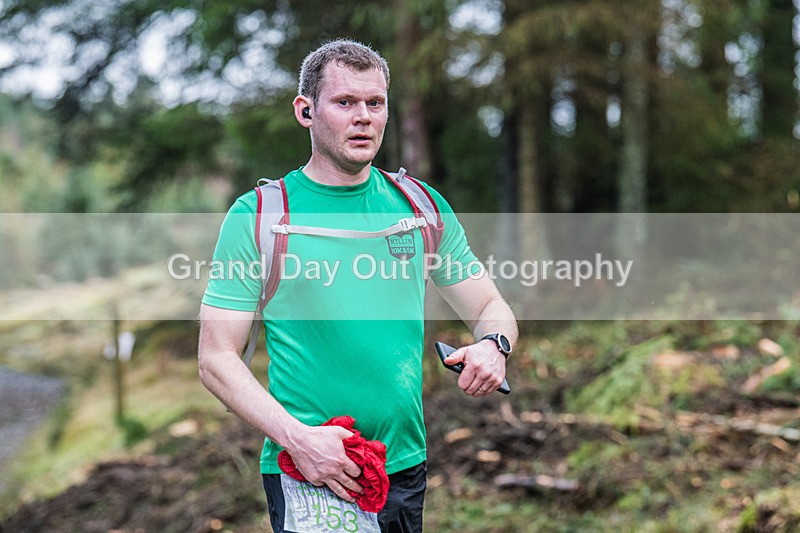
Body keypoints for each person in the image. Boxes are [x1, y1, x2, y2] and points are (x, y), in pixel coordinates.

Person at [198, 38, 518, 533]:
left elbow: (489, 305)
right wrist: (298, 440)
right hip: (311, 470)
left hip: (404, 465)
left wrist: (494, 346)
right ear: (306, 111)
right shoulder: (260, 217)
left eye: (375, 103)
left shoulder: (419, 207)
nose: (364, 117)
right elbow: (216, 358)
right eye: (345, 102)